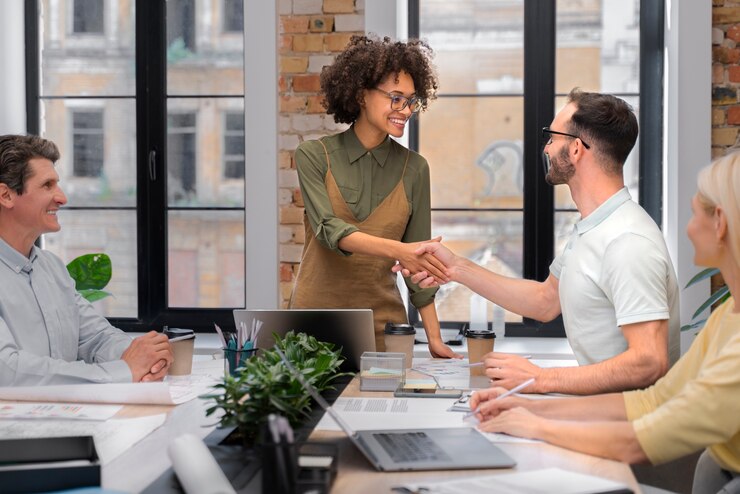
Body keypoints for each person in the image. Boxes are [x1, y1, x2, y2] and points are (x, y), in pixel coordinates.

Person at [469, 154, 740, 494]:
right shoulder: (725, 317)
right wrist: (530, 406)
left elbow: (640, 441)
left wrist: (535, 423)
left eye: (694, 213)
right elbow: (651, 401)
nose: (687, 228)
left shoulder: (629, 243)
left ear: (720, 222)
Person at [397, 89, 680, 394]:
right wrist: (456, 268)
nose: (546, 148)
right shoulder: (593, 227)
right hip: (602, 415)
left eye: (552, 136)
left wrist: (542, 378)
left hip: (632, 432)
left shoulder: (628, 242)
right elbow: (545, 301)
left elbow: (649, 361)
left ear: (575, 150)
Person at [289, 35, 459, 358]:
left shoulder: (415, 170)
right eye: (395, 98)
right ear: (361, 95)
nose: (405, 110)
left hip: (385, 333)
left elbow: (419, 268)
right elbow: (329, 230)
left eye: (411, 100)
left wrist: (435, 339)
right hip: (311, 330)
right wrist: (400, 251)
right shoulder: (313, 156)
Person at [0, 134, 173, 386]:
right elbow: (8, 370)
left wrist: (146, 357)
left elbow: (96, 338)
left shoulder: (52, 268)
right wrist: (125, 370)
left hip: (68, 415)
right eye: (47, 185)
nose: (61, 198)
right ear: (5, 195)